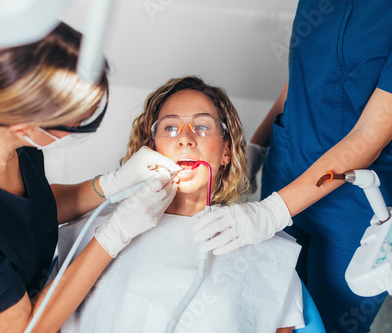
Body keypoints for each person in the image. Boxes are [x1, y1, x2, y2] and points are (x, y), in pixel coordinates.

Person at [193, 2, 392, 332]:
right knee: (273, 310)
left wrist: (270, 212)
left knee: (327, 321)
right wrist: (255, 150)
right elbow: (302, 78)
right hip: (287, 171)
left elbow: (368, 136)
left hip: (354, 205)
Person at [0, 23, 180, 333]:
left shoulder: (19, 147)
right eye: (79, 121)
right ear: (27, 125)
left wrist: (112, 182)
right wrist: (114, 234)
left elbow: (31, 208)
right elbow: (27, 327)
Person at [57, 76, 305, 333]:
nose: (185, 139)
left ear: (225, 153)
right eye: (170, 128)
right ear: (150, 148)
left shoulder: (264, 250)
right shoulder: (94, 233)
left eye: (202, 127)